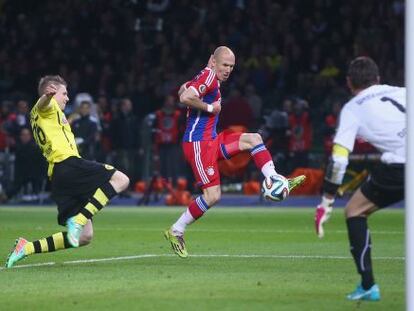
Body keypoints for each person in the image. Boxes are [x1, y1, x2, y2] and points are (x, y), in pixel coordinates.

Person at [164, 46, 305, 258]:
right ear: (213, 61)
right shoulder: (210, 76)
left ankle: (275, 179)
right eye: (225, 65)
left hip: (211, 140)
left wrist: (189, 89)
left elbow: (182, 90)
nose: (228, 70)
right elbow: (185, 99)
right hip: (198, 145)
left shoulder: (207, 76)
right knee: (212, 196)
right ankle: (176, 230)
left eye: (231, 66)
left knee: (254, 139)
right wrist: (212, 108)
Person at [5, 75, 130, 268]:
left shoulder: (43, 116)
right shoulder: (47, 107)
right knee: (121, 180)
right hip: (67, 164)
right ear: (52, 91)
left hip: (59, 175)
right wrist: (47, 96)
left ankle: (26, 248)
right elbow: (42, 104)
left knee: (85, 237)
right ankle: (78, 220)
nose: (67, 98)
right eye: (64, 93)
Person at [315, 57, 405, 301]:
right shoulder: (402, 91)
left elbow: (339, 160)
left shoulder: (352, 108)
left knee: (355, 211)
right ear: (378, 79)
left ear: (349, 83)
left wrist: (327, 200)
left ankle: (368, 285)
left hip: (401, 165)